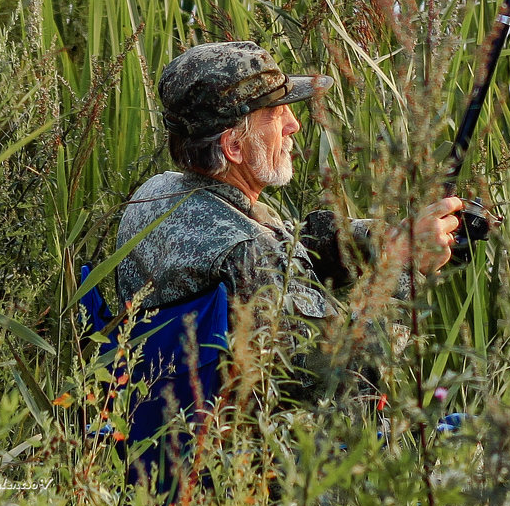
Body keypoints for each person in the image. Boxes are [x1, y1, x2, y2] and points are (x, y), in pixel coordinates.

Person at [113, 39, 462, 395]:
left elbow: (283, 248)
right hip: (269, 444)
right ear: (233, 146)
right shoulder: (246, 252)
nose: (293, 124)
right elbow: (339, 379)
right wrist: (404, 270)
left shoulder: (155, 196)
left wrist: (378, 238)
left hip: (160, 426)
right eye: (276, 113)